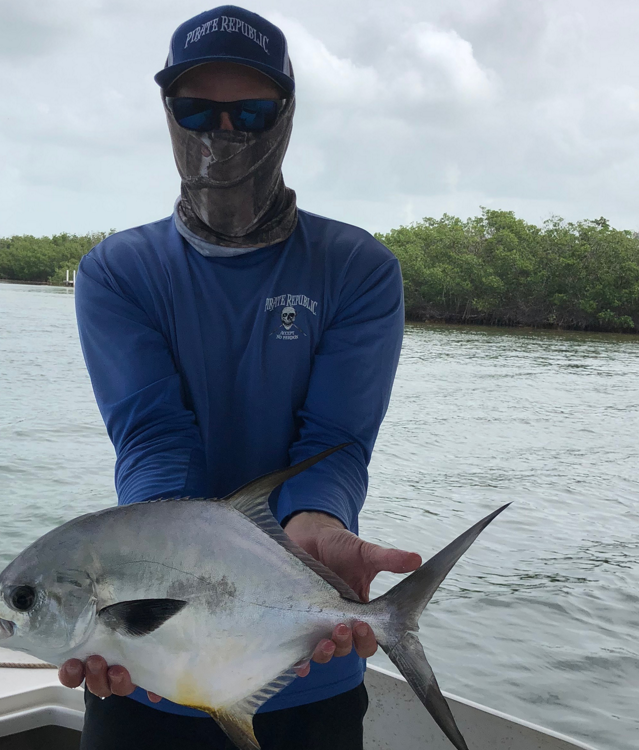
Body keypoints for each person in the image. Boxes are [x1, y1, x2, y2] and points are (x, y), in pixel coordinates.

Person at [62, 6, 421, 748]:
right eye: (197, 110)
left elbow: (335, 442)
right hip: (146, 680)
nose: (221, 135)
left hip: (309, 677)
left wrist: (316, 525)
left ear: (286, 117)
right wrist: (141, 591)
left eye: (250, 112)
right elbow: (154, 438)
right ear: (168, 113)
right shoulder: (118, 271)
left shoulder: (357, 271)